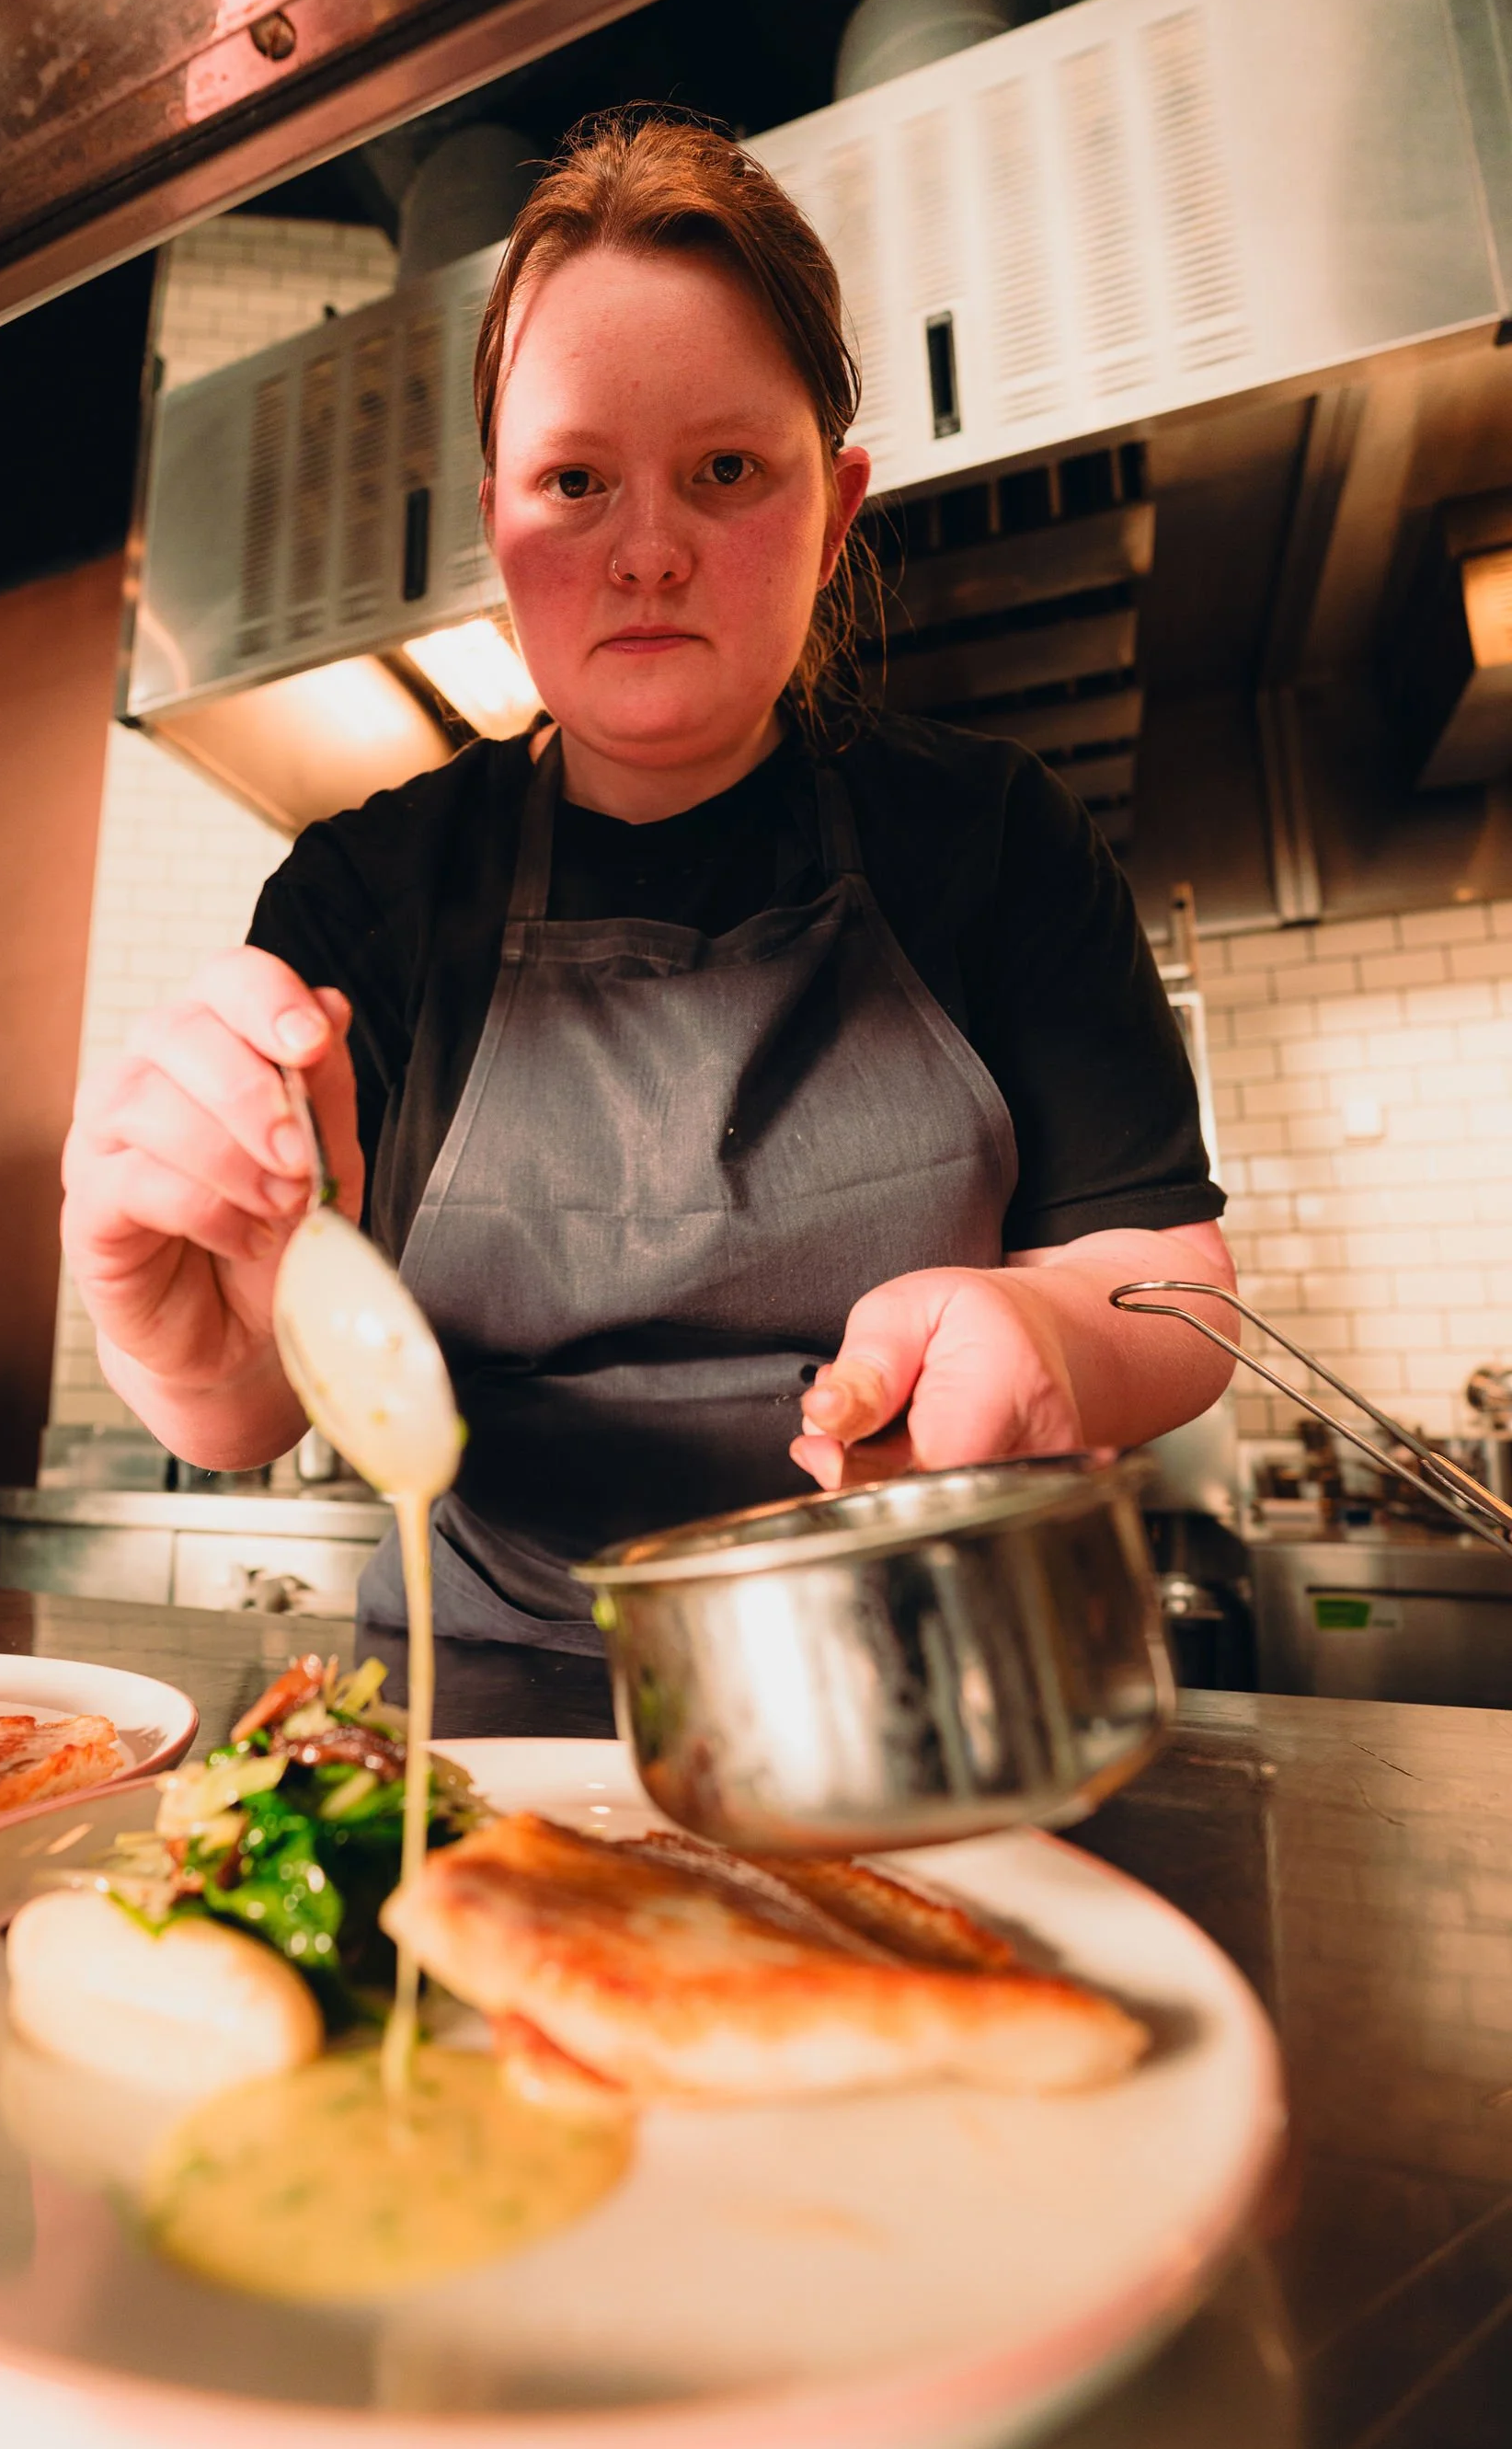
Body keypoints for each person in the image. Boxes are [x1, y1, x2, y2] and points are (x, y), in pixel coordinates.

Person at [62, 112, 1236, 1648]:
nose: (649, 552)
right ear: (495, 527)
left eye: (728, 469)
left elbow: (1180, 1290)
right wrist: (165, 1324)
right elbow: (255, 1399)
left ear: (837, 518)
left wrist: (1055, 1331)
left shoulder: (993, 835)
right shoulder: (365, 898)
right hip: (475, 1707)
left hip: (907, 1692)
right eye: (573, 483)